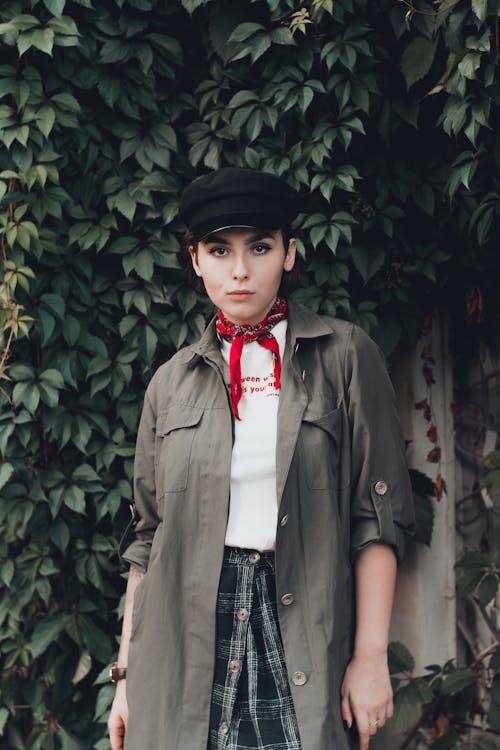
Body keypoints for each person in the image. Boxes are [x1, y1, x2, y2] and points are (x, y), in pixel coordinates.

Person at [107, 167, 415, 750]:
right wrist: (125, 679)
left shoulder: (346, 356)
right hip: (183, 646)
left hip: (299, 626)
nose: (241, 270)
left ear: (290, 253)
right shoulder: (169, 384)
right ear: (195, 260)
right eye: (220, 250)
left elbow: (377, 517)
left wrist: (371, 658)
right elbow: (147, 542)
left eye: (260, 247)